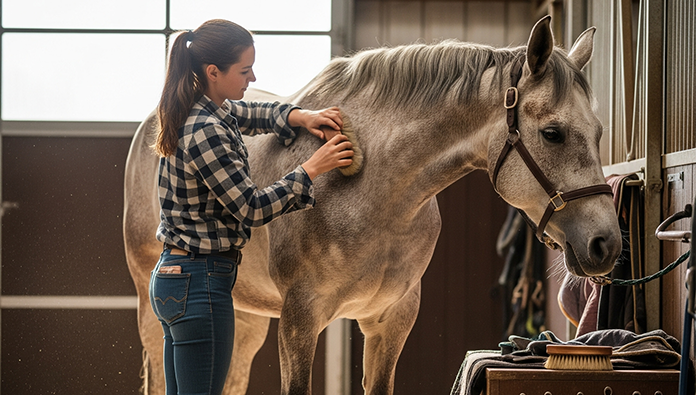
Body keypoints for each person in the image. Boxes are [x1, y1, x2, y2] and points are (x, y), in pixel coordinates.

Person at [148, 19, 353, 395]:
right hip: (201, 285)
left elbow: (249, 113)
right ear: (213, 71)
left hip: (175, 280)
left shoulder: (201, 109)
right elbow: (251, 208)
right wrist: (312, 168)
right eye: (244, 70)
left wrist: (299, 115)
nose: (252, 76)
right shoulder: (205, 129)